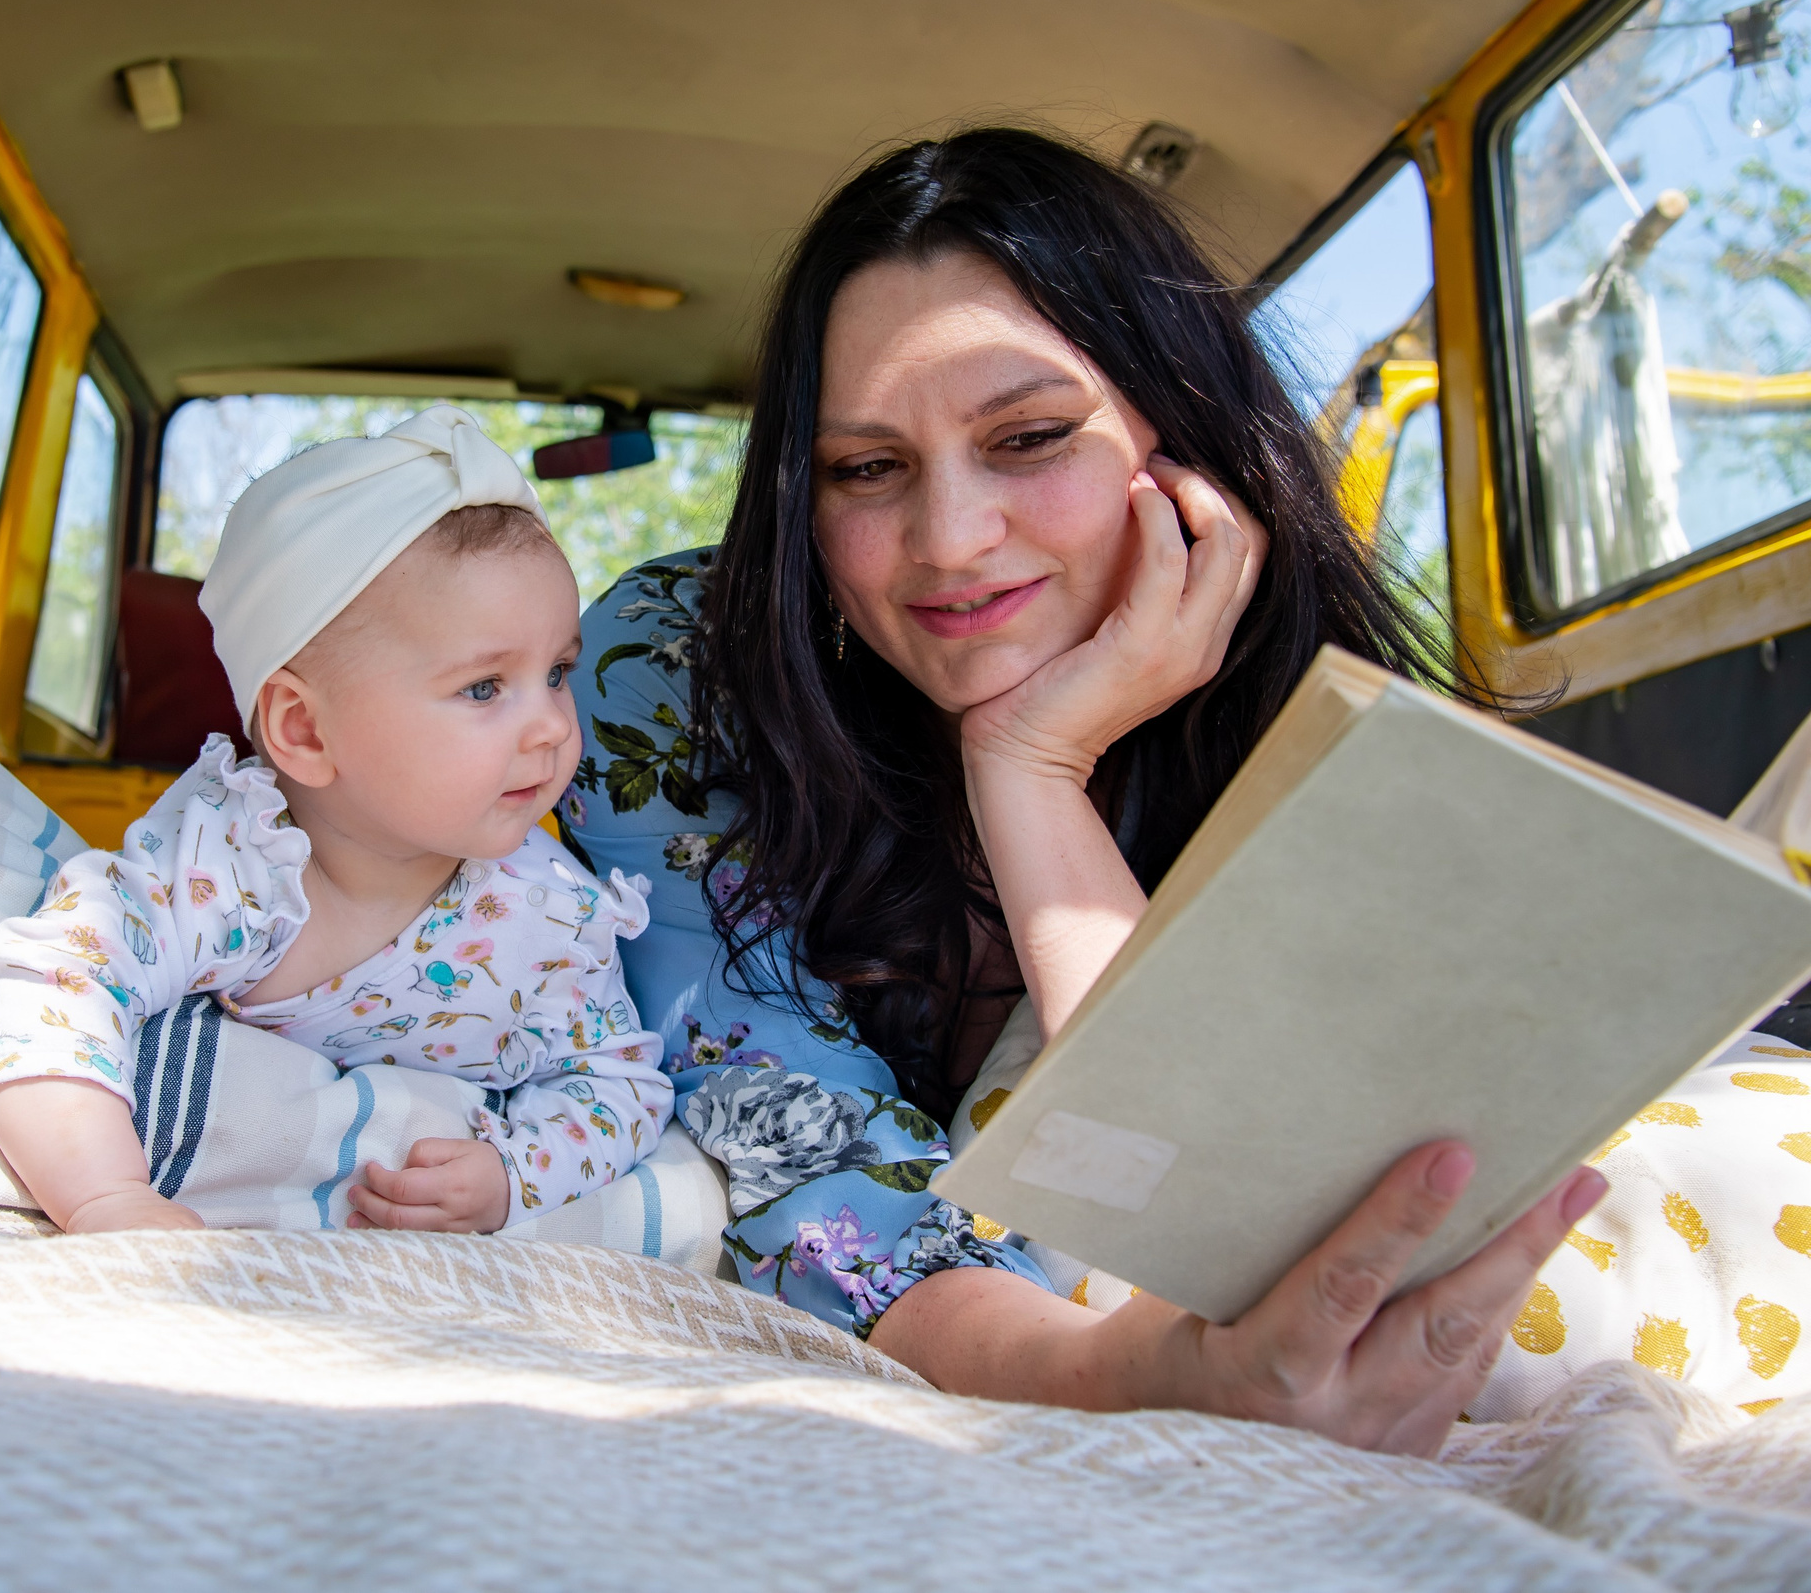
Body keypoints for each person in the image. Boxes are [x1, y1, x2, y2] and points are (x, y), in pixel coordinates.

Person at [562, 128, 1607, 1455]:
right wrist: (1137, 1380)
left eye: (1031, 437)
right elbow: (804, 1168)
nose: (948, 543)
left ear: (1182, 446)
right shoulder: (678, 664)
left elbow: (1251, 1176)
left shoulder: (1314, 715)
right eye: (865, 470)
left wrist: (1032, 770)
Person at [0, 406, 670, 1235]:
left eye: (557, 672)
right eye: (485, 687)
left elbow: (621, 1084)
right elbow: (61, 986)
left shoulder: (551, 922)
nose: (555, 725)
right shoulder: (230, 861)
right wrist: (106, 1196)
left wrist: (512, 1175)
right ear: (304, 730)